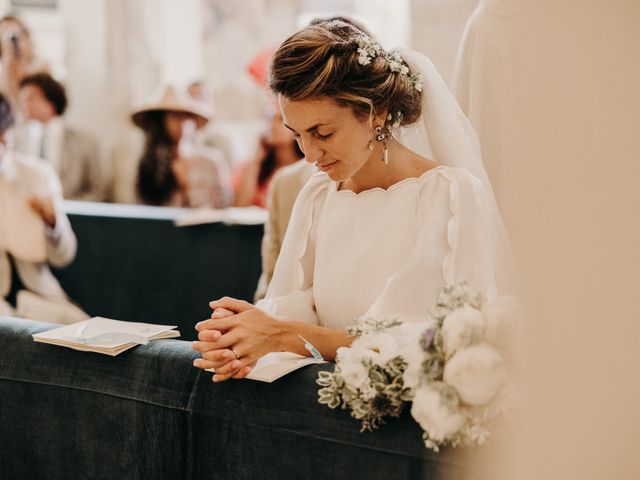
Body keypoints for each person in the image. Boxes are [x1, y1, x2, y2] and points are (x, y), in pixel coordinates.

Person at [192, 19, 514, 382]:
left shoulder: (448, 195)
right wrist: (244, 334)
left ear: (375, 111)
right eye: (296, 134)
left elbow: (424, 343)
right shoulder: (318, 194)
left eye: (323, 132)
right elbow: (298, 304)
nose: (310, 153)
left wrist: (282, 336)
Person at [0, 92, 84, 322]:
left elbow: (65, 256)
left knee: (84, 332)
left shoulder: (37, 175)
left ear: (8, 136)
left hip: (40, 295)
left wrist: (51, 222)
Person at [132, 85, 233, 208]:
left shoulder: (212, 162)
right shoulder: (149, 166)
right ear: (160, 122)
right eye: (175, 116)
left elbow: (226, 204)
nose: (183, 122)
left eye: (187, 116)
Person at [14, 72, 107, 201]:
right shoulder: (15, 141)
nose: (24, 104)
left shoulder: (85, 143)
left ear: (50, 102)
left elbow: (98, 189)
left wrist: (64, 209)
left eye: (31, 98)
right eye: (22, 99)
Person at [0, 15, 48, 109]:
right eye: (5, 36)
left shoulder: (42, 69)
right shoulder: (2, 77)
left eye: (15, 36)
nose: (13, 44)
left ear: (28, 39)